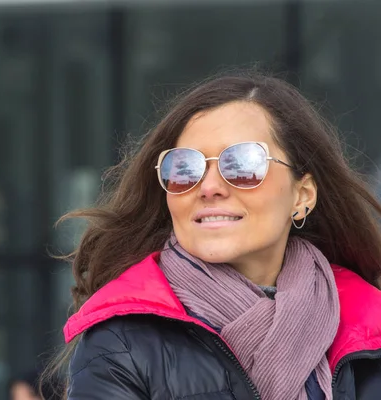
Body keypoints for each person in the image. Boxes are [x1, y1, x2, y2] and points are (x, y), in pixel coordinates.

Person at [55, 71, 381, 399]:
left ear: (302, 196)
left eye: (242, 165)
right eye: (184, 169)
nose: (209, 187)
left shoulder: (370, 329)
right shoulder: (119, 343)